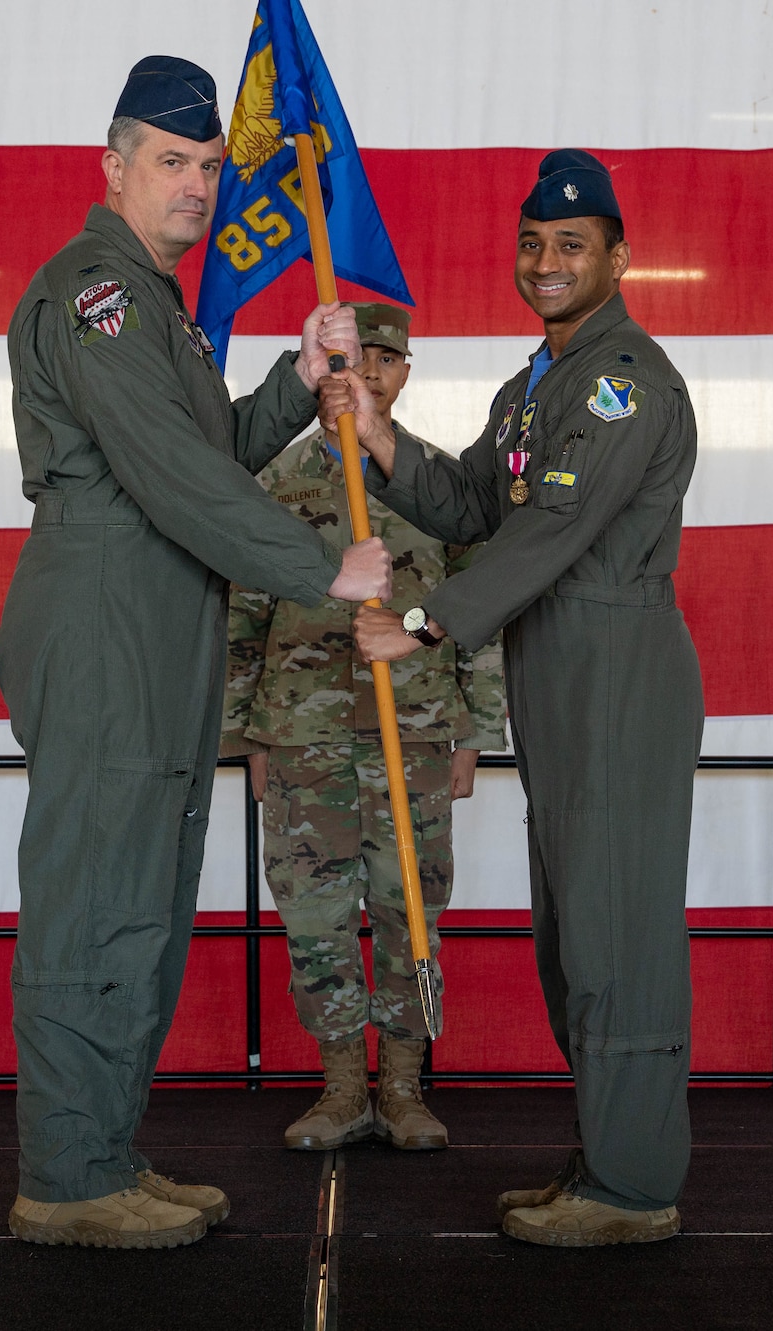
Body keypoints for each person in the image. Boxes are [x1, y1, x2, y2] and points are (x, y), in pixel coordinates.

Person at [0, 54, 392, 1250]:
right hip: (106, 615)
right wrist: (319, 566)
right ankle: (64, 1175)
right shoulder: (96, 293)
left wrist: (297, 380)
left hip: (155, 619)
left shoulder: (155, 303)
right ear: (113, 167)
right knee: (92, 904)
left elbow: (202, 445)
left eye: (211, 166)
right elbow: (167, 472)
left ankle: (103, 1150)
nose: (198, 186)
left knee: (143, 905)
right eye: (172, 162)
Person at [328, 150, 705, 1248]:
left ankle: (633, 1184)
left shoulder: (621, 379)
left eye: (571, 244)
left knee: (616, 930)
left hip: (615, 665)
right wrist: (378, 433)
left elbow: (552, 526)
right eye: (533, 242)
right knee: (577, 932)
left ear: (618, 258)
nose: (546, 261)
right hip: (559, 663)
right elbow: (471, 501)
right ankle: (605, 1154)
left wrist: (423, 622)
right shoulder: (535, 384)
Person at [222, 302, 507, 1153]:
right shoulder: (270, 481)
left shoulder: (441, 484)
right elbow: (241, 612)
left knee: (408, 910)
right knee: (314, 915)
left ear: (406, 372)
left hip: (412, 734)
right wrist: (247, 736)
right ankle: (343, 1084)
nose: (367, 373)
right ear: (323, 369)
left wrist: (473, 731)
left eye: (385, 359)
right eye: (352, 358)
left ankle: (404, 1086)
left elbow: (478, 611)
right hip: (301, 734)